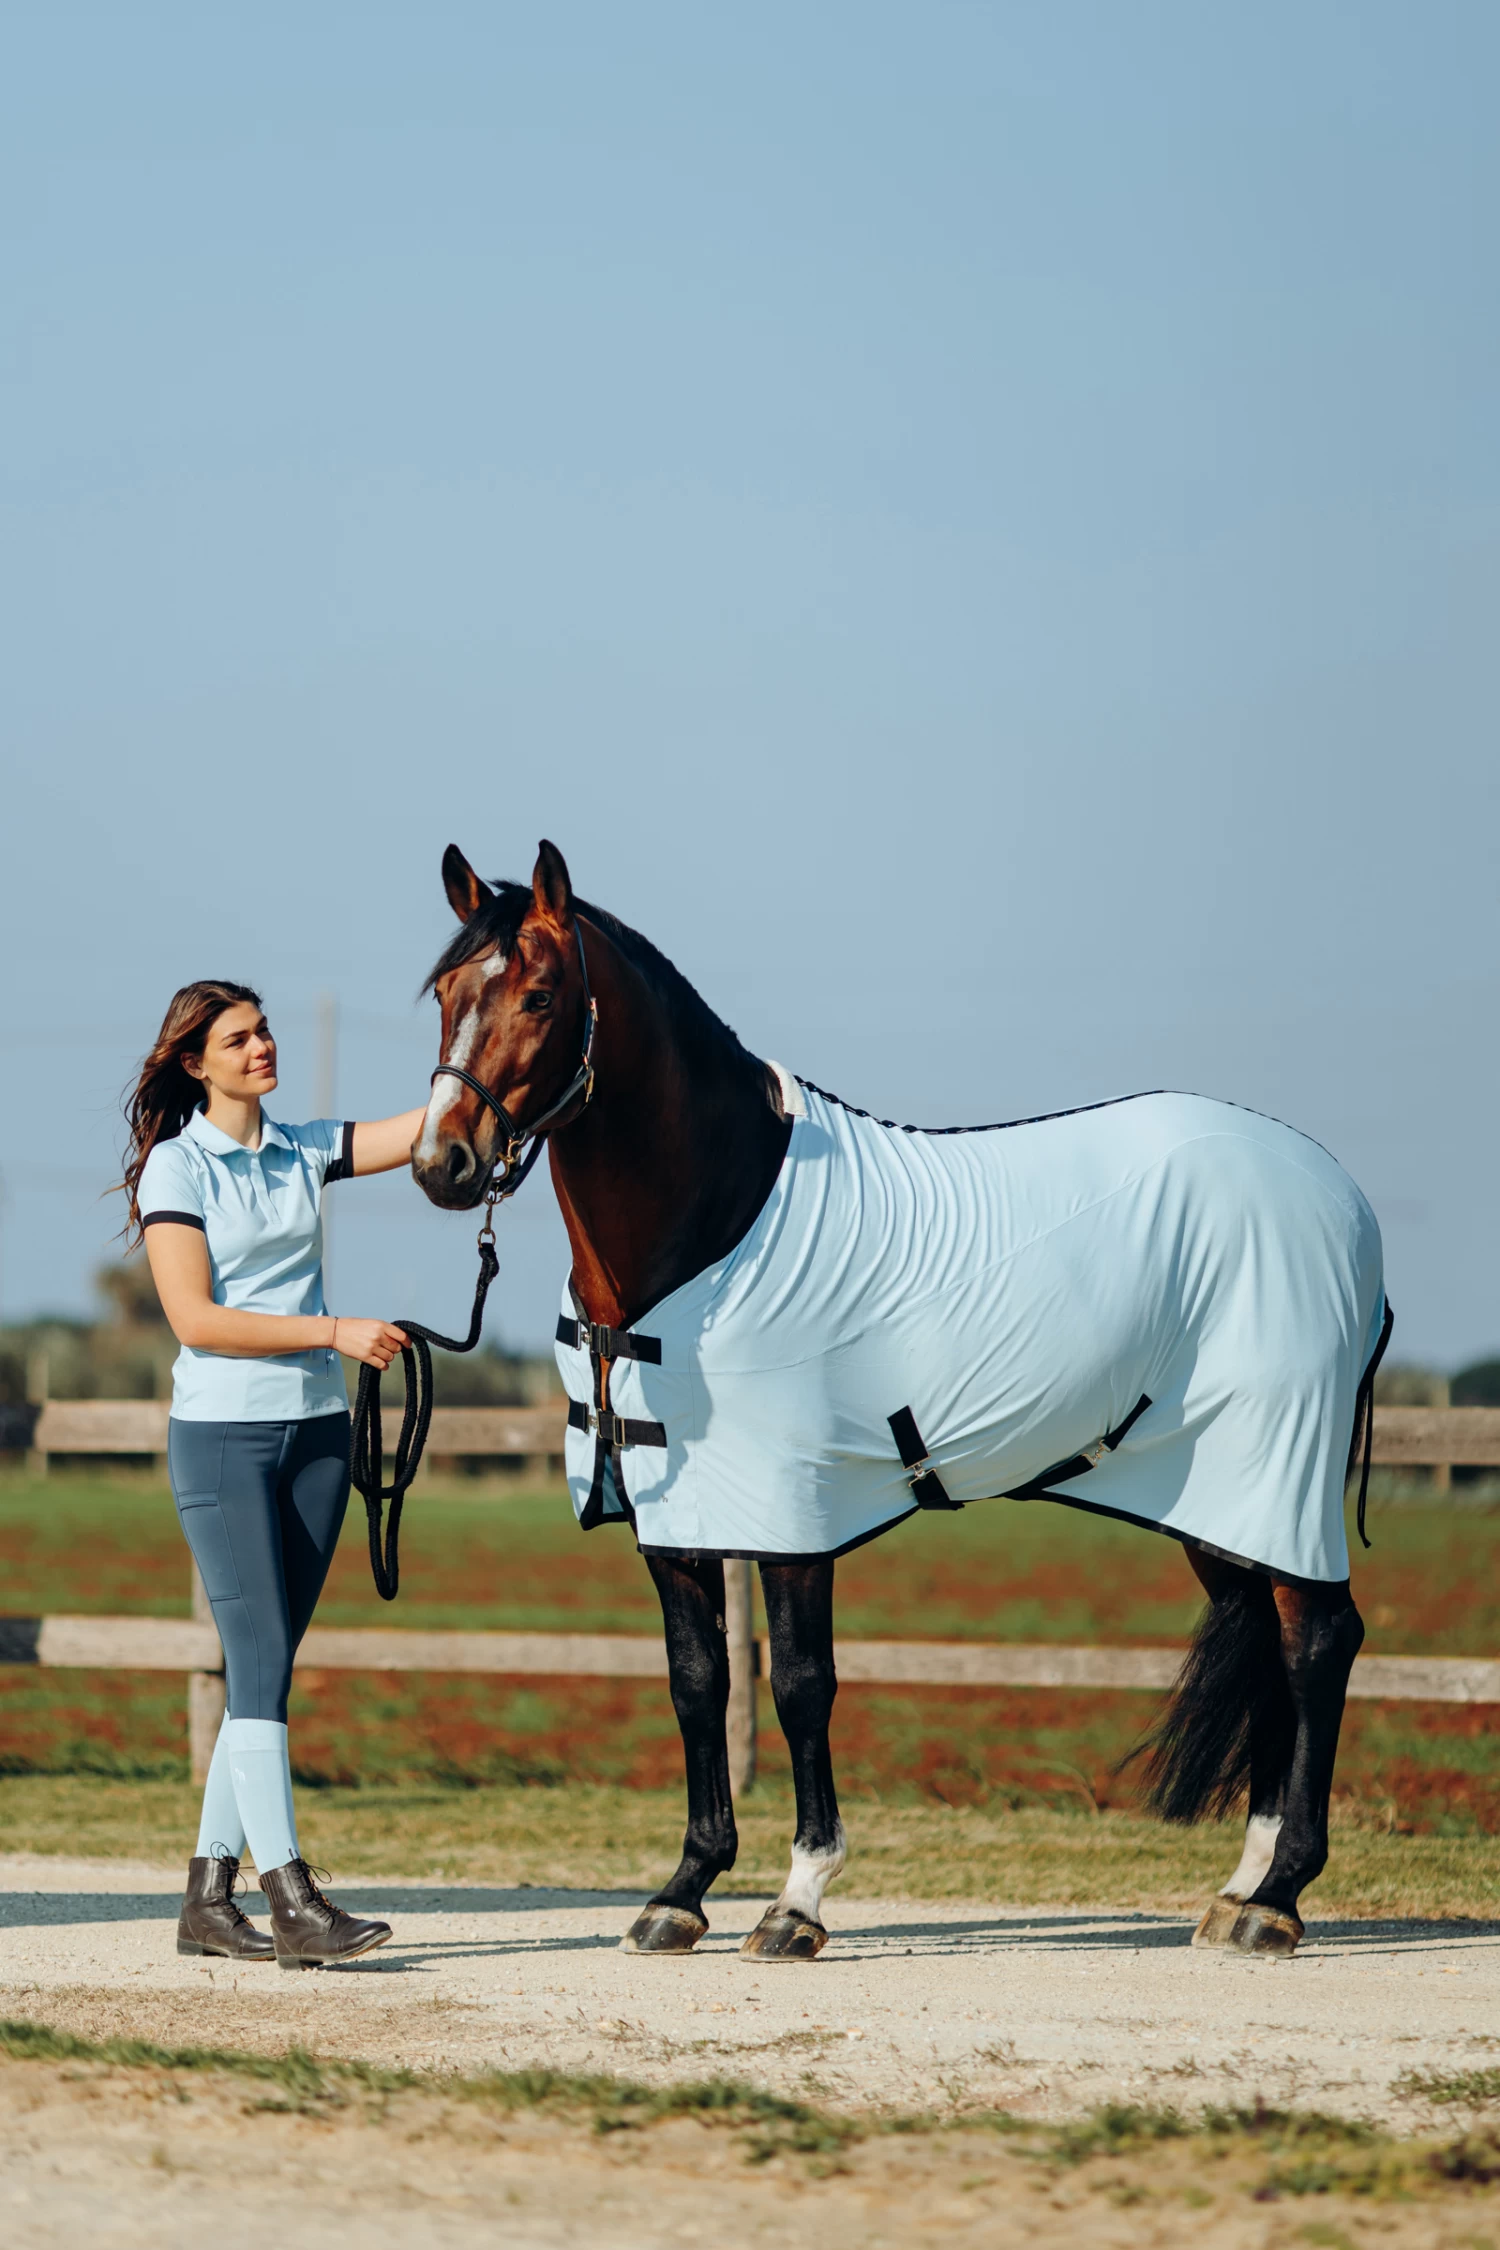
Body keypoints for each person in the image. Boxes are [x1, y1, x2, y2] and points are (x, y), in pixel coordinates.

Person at [120, 979, 425, 1968]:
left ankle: (207, 1901)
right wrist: (333, 1330)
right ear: (196, 1064)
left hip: (318, 1438)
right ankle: (291, 1899)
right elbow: (196, 1320)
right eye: (238, 1039)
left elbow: (425, 1129)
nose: (262, 1047)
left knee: (266, 1669)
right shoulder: (178, 1166)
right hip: (223, 1440)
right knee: (258, 1667)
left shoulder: (303, 1148)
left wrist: (515, 1080)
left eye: (264, 1031)